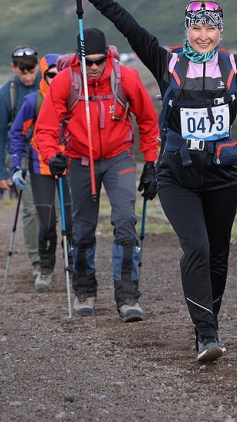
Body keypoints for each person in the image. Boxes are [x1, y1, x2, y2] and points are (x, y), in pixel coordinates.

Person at [61, 0, 237, 363]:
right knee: (195, 247)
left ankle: (207, 323)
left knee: (218, 256)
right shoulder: (167, 63)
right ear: (187, 29)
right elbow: (127, 24)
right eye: (196, 27)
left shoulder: (236, 66)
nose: (203, 35)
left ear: (220, 32)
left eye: (210, 29)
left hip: (220, 178)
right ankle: (205, 334)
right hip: (175, 176)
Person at [35, 27, 160, 323]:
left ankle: (128, 297)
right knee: (82, 229)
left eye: (98, 60)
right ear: (79, 58)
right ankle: (84, 290)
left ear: (108, 56)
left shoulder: (125, 77)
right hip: (79, 159)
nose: (93, 67)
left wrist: (152, 163)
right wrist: (52, 156)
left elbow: (148, 120)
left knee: (126, 222)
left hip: (119, 158)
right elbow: (46, 128)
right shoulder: (66, 80)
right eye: (87, 61)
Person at [8, 54, 73, 292]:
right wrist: (16, 165)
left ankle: (76, 269)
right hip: (40, 169)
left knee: (74, 223)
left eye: (61, 74)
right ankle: (45, 270)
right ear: (43, 75)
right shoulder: (33, 101)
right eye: (51, 75)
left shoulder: (75, 97)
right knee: (46, 224)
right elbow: (16, 133)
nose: (56, 79)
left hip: (71, 167)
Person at [0, 46, 42, 282]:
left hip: (54, 158)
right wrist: (0, 171)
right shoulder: (6, 94)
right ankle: (37, 261)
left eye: (32, 70)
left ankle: (67, 259)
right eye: (23, 71)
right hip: (23, 160)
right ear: (13, 68)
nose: (28, 76)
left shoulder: (50, 83)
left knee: (60, 212)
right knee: (31, 211)